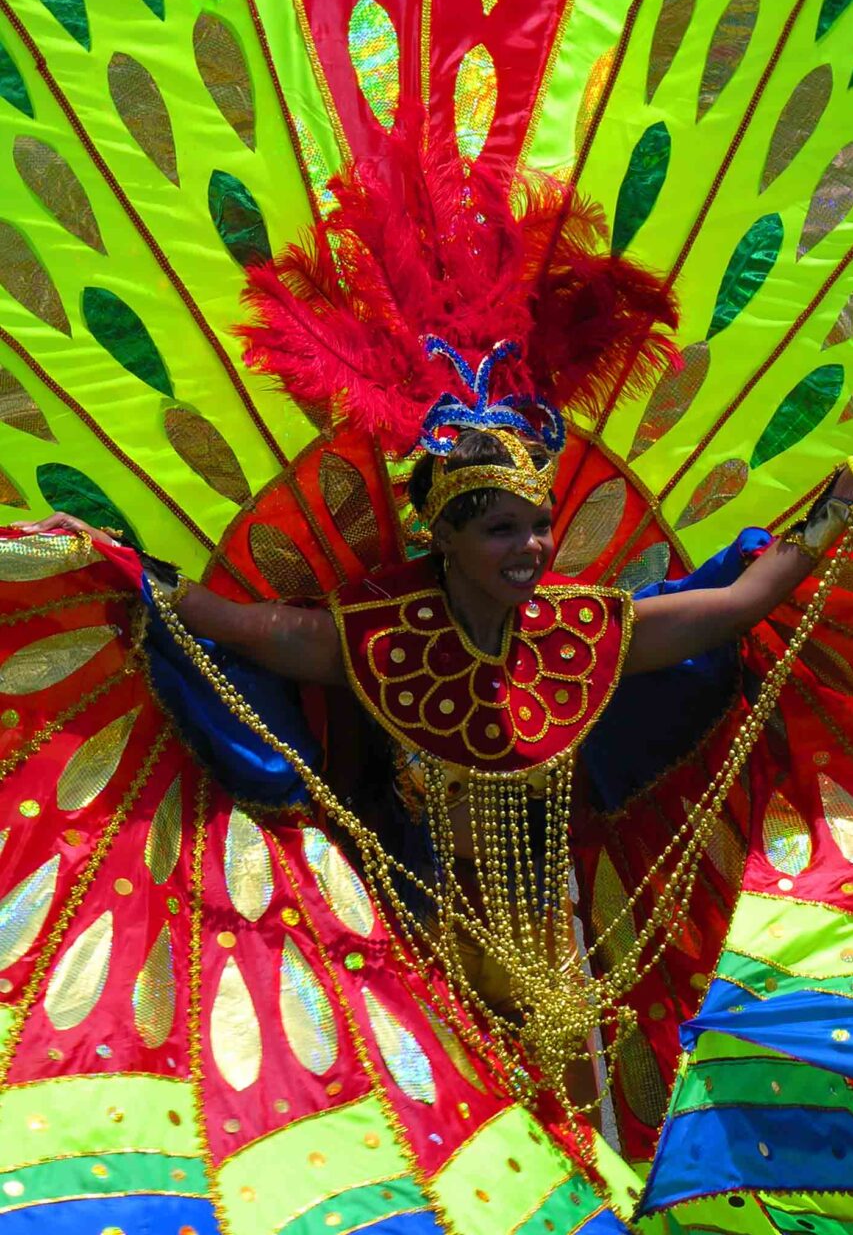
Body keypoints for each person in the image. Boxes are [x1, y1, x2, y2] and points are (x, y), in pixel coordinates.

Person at [5, 137, 853, 1233]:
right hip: (411, 955)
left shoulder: (577, 632)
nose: (532, 547)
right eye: (502, 529)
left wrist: (829, 518)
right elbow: (243, 627)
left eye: (538, 524)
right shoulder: (380, 643)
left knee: (581, 1152)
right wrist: (116, 567)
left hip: (555, 954)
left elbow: (735, 607)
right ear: (444, 537)